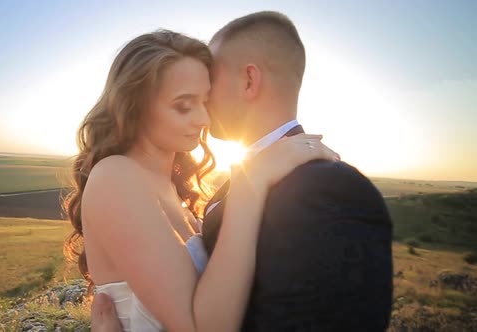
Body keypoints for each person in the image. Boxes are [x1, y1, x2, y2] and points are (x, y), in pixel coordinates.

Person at [89, 11, 393, 332]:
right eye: (183, 105)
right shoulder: (116, 175)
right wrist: (253, 182)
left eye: (205, 99)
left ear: (249, 80)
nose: (204, 119)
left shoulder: (176, 189)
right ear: (134, 105)